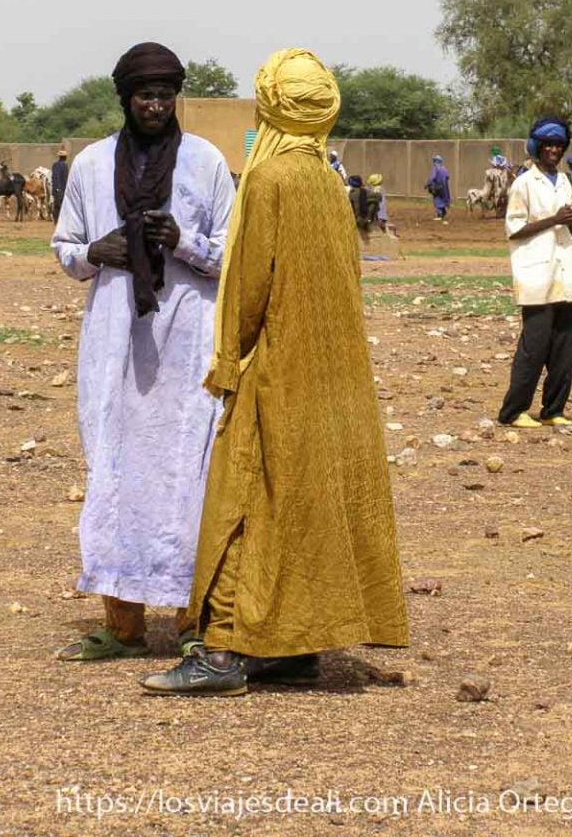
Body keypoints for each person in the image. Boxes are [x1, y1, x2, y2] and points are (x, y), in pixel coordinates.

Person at [139, 48, 409, 696]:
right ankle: (293, 646)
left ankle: (224, 653)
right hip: (334, 374)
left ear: (271, 108)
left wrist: (228, 361)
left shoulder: (269, 180)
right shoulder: (328, 182)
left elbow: (250, 283)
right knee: (304, 500)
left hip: (279, 370)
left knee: (245, 501)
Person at [51, 42, 236, 660]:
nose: (155, 106)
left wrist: (184, 242)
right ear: (126, 99)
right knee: (115, 470)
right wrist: (92, 254)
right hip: (113, 342)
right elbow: (65, 246)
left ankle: (192, 621)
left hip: (186, 342)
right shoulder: (91, 164)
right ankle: (123, 624)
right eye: (144, 96)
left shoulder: (206, 162)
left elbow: (231, 252)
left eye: (164, 95)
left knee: (189, 473)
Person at [497, 117, 572, 429]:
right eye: (548, 145)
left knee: (565, 346)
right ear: (537, 147)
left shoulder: (569, 182)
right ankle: (513, 411)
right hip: (536, 272)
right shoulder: (524, 183)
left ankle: (553, 409)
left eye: (558, 145)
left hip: (566, 270)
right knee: (534, 346)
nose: (553, 150)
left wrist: (570, 221)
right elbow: (514, 228)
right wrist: (553, 219)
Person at [425, 155, 450, 222]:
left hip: (437, 187)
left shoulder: (435, 168)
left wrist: (427, 184)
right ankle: (443, 211)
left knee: (437, 199)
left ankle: (440, 214)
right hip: (444, 187)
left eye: (434, 161)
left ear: (435, 161)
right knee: (443, 199)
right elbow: (448, 177)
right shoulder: (444, 168)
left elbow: (432, 177)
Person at [51, 149, 69, 223]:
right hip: (62, 189)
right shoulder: (64, 165)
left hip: (56, 188)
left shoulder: (55, 165)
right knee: (61, 205)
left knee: (57, 205)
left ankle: (56, 220)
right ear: (65, 157)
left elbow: (54, 177)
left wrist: (56, 188)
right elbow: (65, 178)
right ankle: (60, 220)